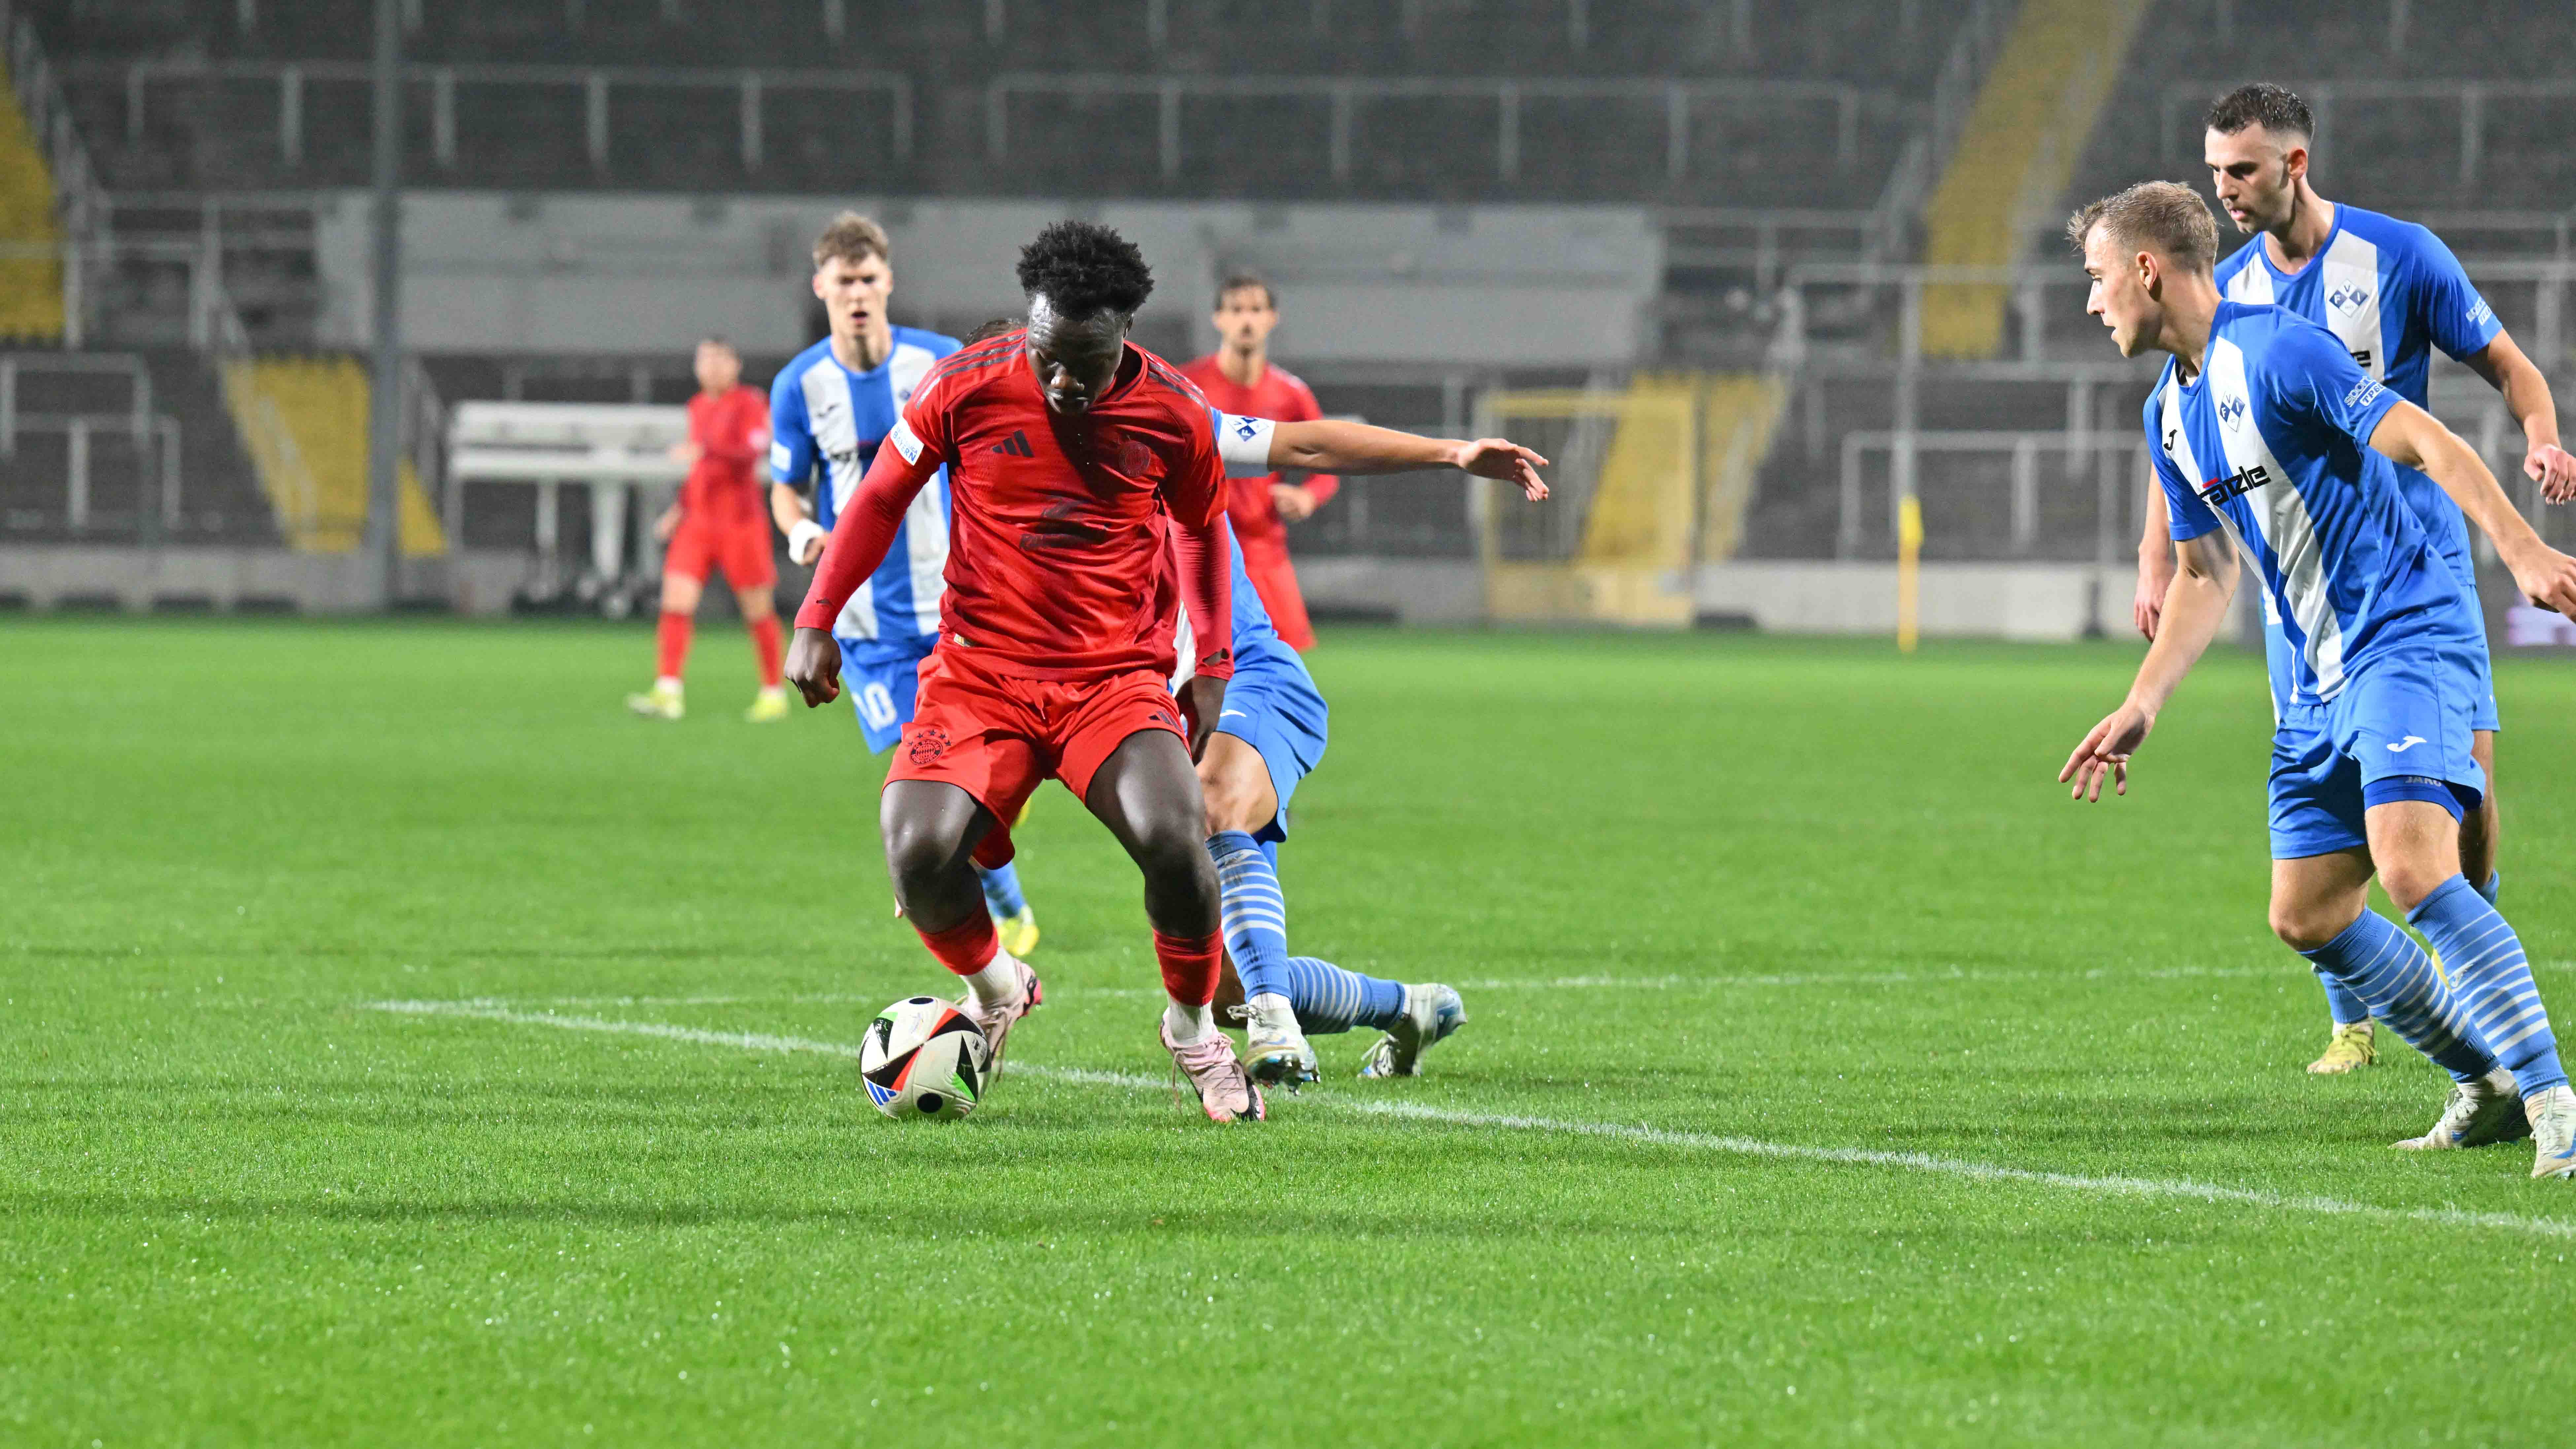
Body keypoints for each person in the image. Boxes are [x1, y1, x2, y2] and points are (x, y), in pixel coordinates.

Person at [2061, 180, 2576, 1179]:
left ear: (2145, 269)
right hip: (2311, 675)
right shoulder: (2168, 412)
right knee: (2305, 913)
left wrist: (2520, 550)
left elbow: (2428, 439)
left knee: (2418, 866)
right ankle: (2487, 1080)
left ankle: (2556, 1098)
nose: (2090, 304)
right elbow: (2205, 573)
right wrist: (2142, 700)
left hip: (2400, 631)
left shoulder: (2282, 349)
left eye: (2094, 279)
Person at [785, 221, 1263, 1123]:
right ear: (1029, 325)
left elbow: (1201, 532)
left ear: (1123, 331)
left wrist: (1214, 662)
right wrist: (816, 617)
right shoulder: (965, 383)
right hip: (979, 675)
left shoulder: (1172, 410)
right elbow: (880, 496)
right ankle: (1000, 986)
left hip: (1112, 680)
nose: (1061, 381)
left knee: (1175, 841)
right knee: (915, 850)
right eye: (1047, 356)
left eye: (1083, 362)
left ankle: (1194, 1031)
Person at [1189, 411, 1549, 1085]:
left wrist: (1452, 450)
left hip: (1250, 675)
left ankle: (1274, 1022)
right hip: (1158, 718)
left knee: (1216, 802)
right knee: (1221, 988)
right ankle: (1408, 1007)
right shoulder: (1002, 492)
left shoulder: (1153, 414)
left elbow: (1307, 440)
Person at [767, 215, 1038, 956]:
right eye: (842, 281)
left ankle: (983, 903)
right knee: (919, 757)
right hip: (864, 621)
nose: (856, 293)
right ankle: (1000, 898)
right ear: (821, 286)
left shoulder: (941, 362)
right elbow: (787, 488)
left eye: (867, 278)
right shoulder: (799, 385)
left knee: (961, 764)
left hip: (959, 603)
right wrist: (800, 536)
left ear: (886, 281)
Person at [626, 337, 783, 722]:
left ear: (736, 365)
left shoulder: (750, 403)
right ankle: (668, 691)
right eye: (705, 360)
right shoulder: (697, 406)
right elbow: (701, 470)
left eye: (719, 359)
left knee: (757, 610)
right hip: (698, 522)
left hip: (740, 523)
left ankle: (773, 692)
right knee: (675, 601)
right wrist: (678, 511)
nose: (711, 367)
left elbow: (752, 452)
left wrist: (707, 450)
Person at [1181, 272, 1335, 650]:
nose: (1246, 320)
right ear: (1219, 319)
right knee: (1191, 671)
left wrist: (1308, 497)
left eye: (1256, 309)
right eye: (1236, 310)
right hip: (1199, 548)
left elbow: (1328, 464)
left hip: (1264, 552)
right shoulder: (1188, 385)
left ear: (1272, 318)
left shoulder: (1291, 394)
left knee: (1282, 667)